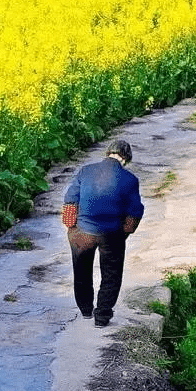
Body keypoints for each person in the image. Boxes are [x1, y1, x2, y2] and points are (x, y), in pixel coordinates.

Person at [61, 138, 144, 327]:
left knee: (81, 270)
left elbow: (70, 200)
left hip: (82, 233)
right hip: (111, 232)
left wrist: (71, 227)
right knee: (111, 275)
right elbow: (134, 212)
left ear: (108, 153)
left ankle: (85, 310)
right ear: (125, 158)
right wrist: (123, 234)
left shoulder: (86, 171)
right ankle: (102, 316)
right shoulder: (130, 179)